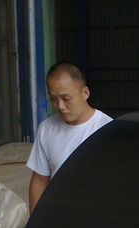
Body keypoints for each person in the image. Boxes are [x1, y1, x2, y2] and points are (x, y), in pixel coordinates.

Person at [27, 63, 112, 212]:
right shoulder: (47, 129)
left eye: (66, 98)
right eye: (54, 99)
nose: (60, 106)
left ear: (85, 93)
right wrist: (34, 221)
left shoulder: (108, 129)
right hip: (58, 216)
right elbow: (40, 180)